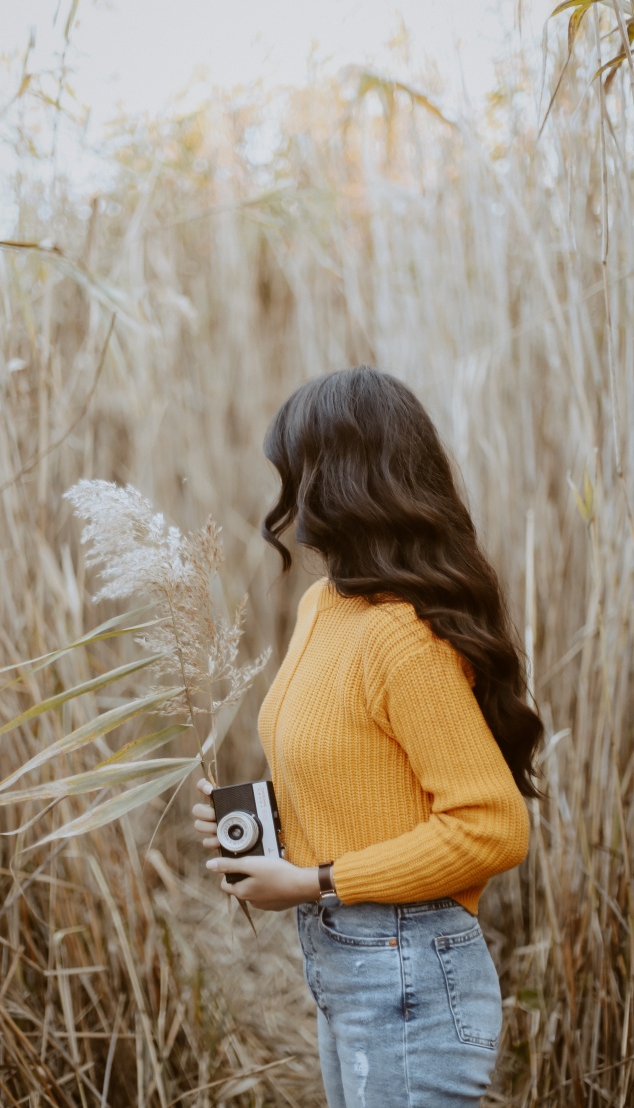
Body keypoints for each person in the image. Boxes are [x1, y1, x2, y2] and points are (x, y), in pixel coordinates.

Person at [192, 366, 543, 1108]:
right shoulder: (323, 606)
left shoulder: (402, 637)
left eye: (295, 470)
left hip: (411, 969)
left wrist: (315, 880)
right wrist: (266, 833)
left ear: (338, 481)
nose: (285, 492)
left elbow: (494, 827)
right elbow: (361, 774)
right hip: (346, 962)